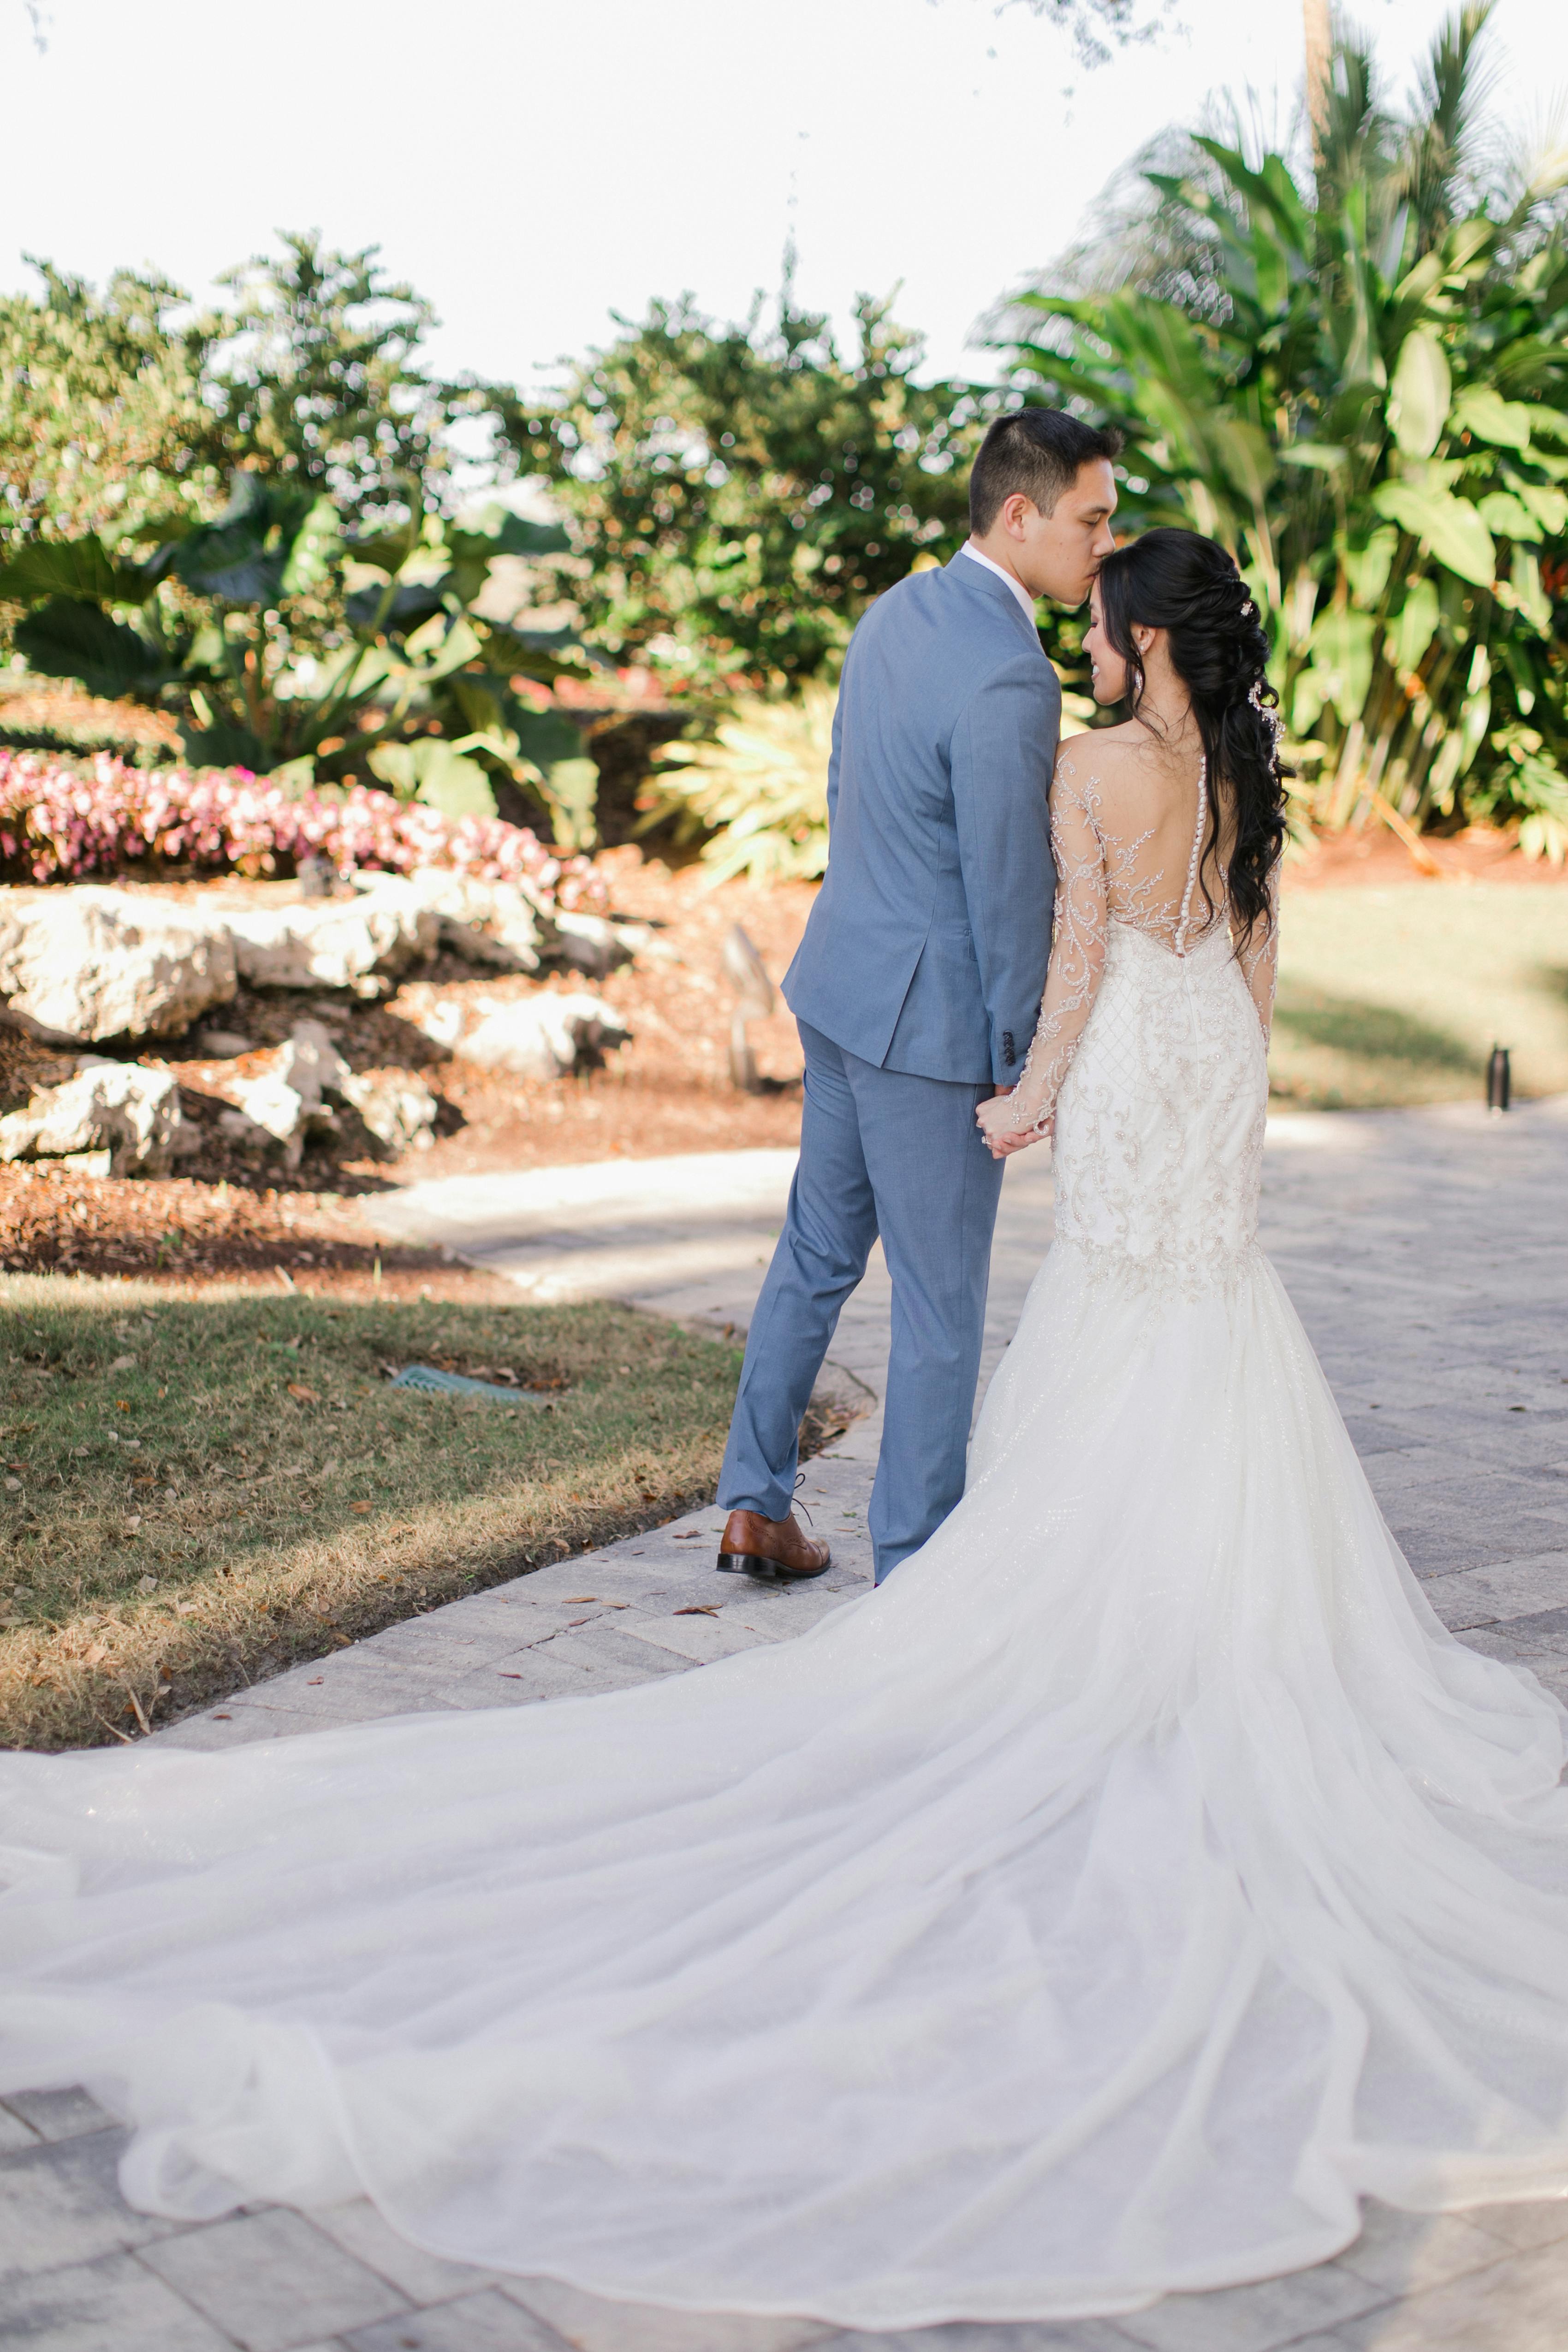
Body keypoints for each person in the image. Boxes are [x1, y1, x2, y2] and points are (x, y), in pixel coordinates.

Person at [4, 529, 1568, 2335]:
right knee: (1202, 1312)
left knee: (1115, 1317)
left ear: (1139, 644)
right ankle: (1204, 1641)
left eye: (1096, 634)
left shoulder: (1089, 769)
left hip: (1134, 1064)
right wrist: (1229, 1113)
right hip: (1213, 1069)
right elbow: (1259, 965)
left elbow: (1073, 961)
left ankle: (1084, 1645)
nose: (1085, 654)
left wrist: (1030, 1102)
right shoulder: (1236, 770)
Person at [713, 406, 1120, 1587]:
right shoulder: (1010, 678)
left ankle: (752, 1502)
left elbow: (853, 796)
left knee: (814, 1255)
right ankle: (916, 1573)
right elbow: (1006, 896)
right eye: (1089, 519)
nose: (1104, 542)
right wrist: (1018, 1060)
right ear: (1019, 514)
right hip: (932, 1028)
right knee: (941, 1308)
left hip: (840, 983)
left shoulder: (891, 613)